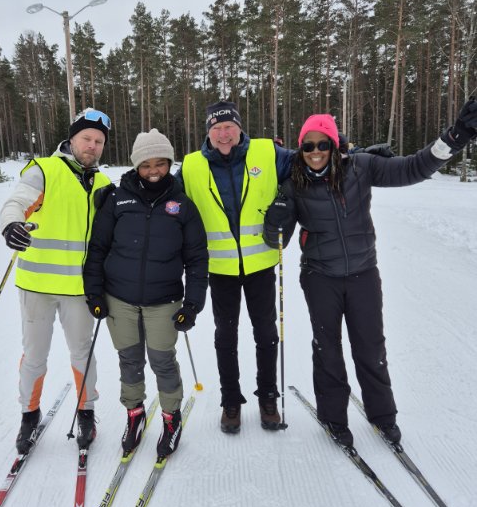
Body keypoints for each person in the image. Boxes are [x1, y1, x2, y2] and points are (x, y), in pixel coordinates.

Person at [263, 102, 477, 447]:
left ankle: (383, 416)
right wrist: (275, 218)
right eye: (307, 146)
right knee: (327, 350)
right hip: (320, 277)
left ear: (334, 145)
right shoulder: (293, 183)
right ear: (300, 149)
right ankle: (334, 419)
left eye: (322, 144)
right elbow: (276, 241)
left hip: (363, 274)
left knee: (370, 348)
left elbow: (414, 168)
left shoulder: (361, 167)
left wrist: (453, 138)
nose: (315, 152)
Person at [83, 128, 208, 459]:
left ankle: (170, 417)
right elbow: (97, 249)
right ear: (135, 165)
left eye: (161, 164)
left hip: (164, 301)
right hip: (118, 299)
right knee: (129, 360)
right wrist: (93, 293)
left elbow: (197, 259)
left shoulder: (182, 205)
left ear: (169, 163)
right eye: (146, 164)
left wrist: (192, 304)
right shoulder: (116, 200)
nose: (154, 171)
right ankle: (135, 414)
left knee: (163, 361)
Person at [0, 108, 112, 454]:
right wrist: (11, 225)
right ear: (72, 138)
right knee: (35, 355)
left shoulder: (104, 185)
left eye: (98, 141)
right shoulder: (44, 170)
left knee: (83, 354)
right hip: (38, 287)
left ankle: (87, 411)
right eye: (86, 138)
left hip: (79, 289)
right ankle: (29, 415)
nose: (91, 146)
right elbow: (16, 203)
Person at [179, 101, 294, 434]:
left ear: (240, 127)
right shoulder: (191, 166)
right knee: (225, 336)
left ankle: (268, 397)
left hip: (260, 263)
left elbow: (304, 168)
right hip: (221, 269)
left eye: (229, 127)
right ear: (208, 133)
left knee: (266, 333)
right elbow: (165, 197)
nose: (223, 134)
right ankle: (231, 401)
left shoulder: (267, 152)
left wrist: (285, 197)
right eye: (216, 128)